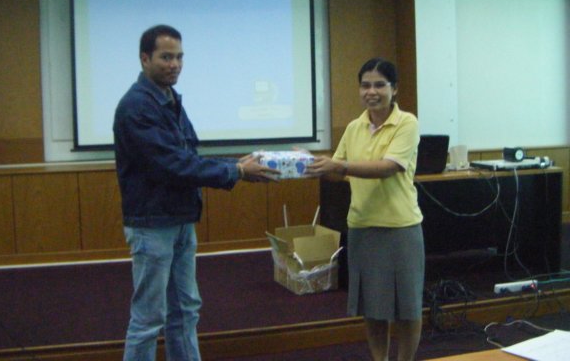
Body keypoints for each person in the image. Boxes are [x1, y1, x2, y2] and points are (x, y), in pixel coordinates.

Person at [113, 24, 280, 361]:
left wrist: (236, 164)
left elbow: (187, 157)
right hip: (152, 225)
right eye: (165, 57)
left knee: (186, 311)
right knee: (148, 319)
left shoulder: (170, 99)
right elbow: (171, 165)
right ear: (145, 58)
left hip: (180, 219)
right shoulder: (136, 106)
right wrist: (236, 171)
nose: (174, 64)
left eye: (179, 57)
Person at [306, 57, 424, 361]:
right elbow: (337, 171)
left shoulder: (407, 123)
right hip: (362, 227)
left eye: (379, 85)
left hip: (400, 228)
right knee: (372, 308)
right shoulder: (354, 127)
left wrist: (339, 165)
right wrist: (310, 164)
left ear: (394, 89)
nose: (371, 92)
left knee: (407, 308)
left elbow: (388, 167)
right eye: (365, 85)